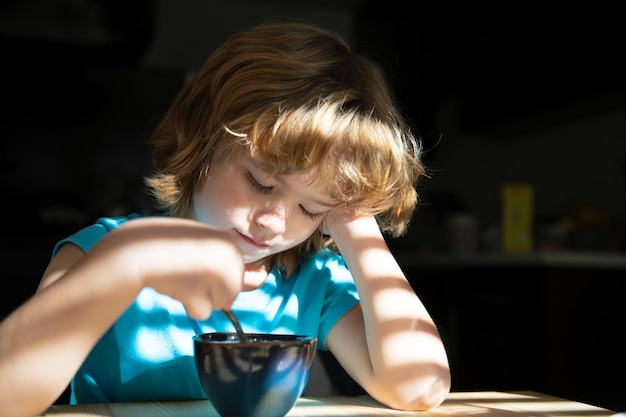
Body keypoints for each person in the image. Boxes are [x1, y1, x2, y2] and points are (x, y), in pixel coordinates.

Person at [0, 20, 451, 417]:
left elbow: (418, 387)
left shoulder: (316, 283)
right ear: (202, 142)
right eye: (260, 182)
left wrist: (358, 230)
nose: (275, 221)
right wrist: (122, 264)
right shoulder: (101, 252)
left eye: (311, 208)